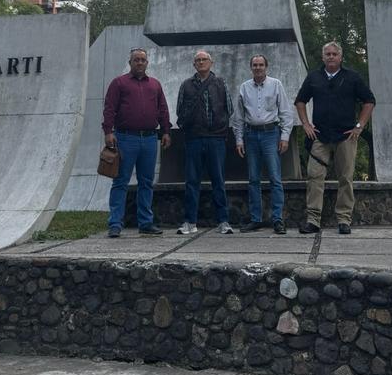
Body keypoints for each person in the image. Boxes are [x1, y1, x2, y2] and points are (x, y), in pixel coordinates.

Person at [295, 41, 376, 235]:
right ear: (323, 57)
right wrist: (306, 124)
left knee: (345, 178)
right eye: (328, 54)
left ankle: (344, 220)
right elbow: (300, 101)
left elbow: (369, 101)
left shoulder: (352, 77)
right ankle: (313, 220)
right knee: (314, 176)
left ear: (340, 57)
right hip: (320, 136)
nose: (331, 57)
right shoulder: (314, 77)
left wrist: (359, 126)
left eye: (334, 54)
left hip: (346, 136)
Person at [102, 47, 172, 238]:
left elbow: (163, 109)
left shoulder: (155, 84)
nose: (140, 62)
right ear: (130, 62)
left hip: (149, 139)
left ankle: (145, 223)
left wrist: (166, 131)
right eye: (136, 60)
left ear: (147, 63)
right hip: (126, 138)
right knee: (120, 181)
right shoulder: (119, 83)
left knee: (146, 182)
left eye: (143, 59)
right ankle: (115, 224)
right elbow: (109, 108)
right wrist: (108, 131)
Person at [232, 54, 293, 235]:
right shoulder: (244, 87)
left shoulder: (276, 85)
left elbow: (286, 112)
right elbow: (238, 117)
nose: (258, 68)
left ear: (266, 67)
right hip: (251, 135)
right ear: (251, 67)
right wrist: (239, 139)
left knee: (275, 178)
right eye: (255, 65)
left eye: (261, 65)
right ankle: (256, 219)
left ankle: (277, 219)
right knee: (253, 179)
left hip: (270, 134)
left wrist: (285, 137)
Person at [175, 50, 234, 234]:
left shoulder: (220, 83)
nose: (201, 62)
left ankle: (223, 221)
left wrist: (219, 126)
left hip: (216, 139)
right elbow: (179, 109)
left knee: (218, 181)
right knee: (192, 181)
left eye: (204, 59)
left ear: (211, 62)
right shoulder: (186, 85)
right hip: (193, 138)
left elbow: (229, 108)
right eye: (198, 60)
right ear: (194, 64)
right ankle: (190, 222)